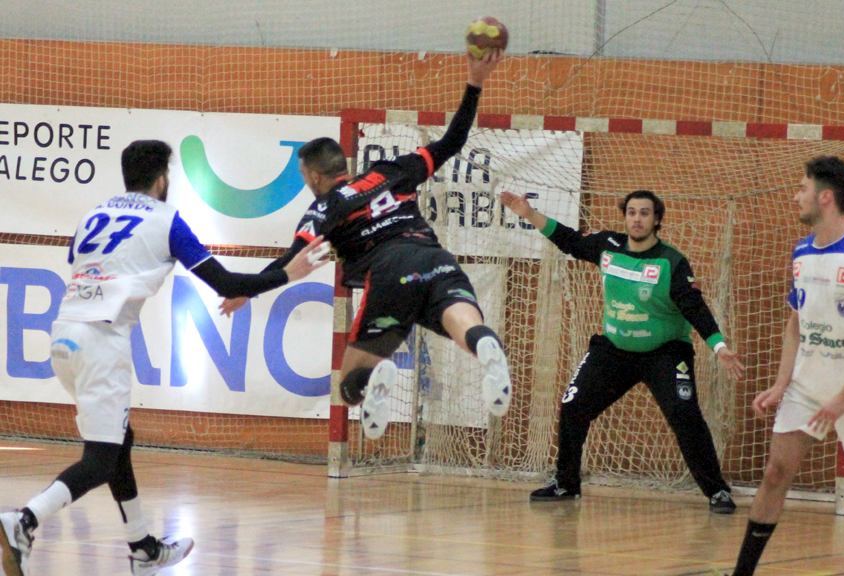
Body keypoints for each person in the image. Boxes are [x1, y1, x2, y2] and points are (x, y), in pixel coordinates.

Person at [0, 140, 328, 576]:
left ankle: (143, 549)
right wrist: (290, 272)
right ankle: (24, 520)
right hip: (103, 341)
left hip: (63, 336)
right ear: (162, 179)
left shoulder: (92, 215)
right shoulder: (166, 220)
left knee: (120, 443)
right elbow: (226, 281)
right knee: (99, 458)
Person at [219, 49, 509, 440]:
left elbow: (290, 262)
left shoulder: (326, 207)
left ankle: (376, 376)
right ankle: (487, 346)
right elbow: (453, 141)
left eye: (304, 173)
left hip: (389, 272)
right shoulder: (391, 171)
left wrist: (244, 292)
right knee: (467, 326)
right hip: (435, 257)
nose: (305, 180)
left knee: (348, 383)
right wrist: (475, 82)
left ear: (318, 176)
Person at [499, 189, 745, 513]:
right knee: (573, 406)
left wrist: (720, 347)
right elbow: (569, 240)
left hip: (665, 353)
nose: (637, 219)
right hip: (614, 351)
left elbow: (694, 307)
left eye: (645, 213)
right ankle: (566, 484)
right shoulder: (608, 246)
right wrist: (528, 213)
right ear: (625, 216)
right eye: (632, 212)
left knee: (684, 414)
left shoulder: (671, 261)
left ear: (656, 219)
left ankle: (717, 492)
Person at [722, 156, 844, 576]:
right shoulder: (801, 252)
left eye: (802, 188)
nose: (795, 196)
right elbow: (795, 325)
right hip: (808, 389)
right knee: (775, 473)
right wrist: (782, 384)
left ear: (825, 197)